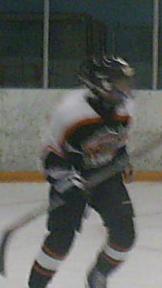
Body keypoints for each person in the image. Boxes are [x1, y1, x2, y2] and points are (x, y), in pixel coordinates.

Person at [27, 55, 136, 288]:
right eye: (120, 82)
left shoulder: (125, 106)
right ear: (104, 84)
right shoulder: (70, 112)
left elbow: (116, 140)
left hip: (106, 177)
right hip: (70, 177)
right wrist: (66, 181)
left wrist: (121, 159)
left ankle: (98, 275)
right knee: (61, 240)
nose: (126, 88)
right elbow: (48, 155)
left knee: (125, 235)